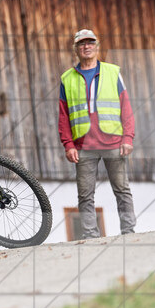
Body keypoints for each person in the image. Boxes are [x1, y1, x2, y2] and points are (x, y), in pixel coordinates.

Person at [58, 29, 137, 238]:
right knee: (85, 195)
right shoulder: (67, 78)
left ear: (97, 46)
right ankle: (90, 236)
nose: (86, 46)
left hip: (113, 143)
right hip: (83, 146)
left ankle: (128, 231)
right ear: (76, 48)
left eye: (90, 42)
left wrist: (128, 138)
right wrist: (68, 144)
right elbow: (64, 116)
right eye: (81, 43)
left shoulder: (112, 72)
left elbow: (126, 107)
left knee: (122, 190)